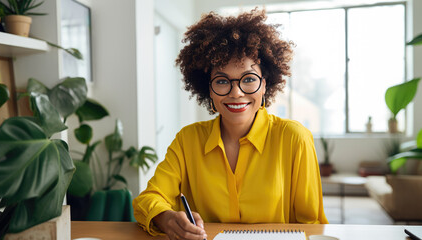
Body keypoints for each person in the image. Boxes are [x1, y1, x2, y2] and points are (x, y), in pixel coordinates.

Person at [133, 8, 328, 240]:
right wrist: (167, 219)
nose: (236, 93)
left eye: (248, 79)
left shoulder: (295, 138)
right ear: (209, 89)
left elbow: (313, 226)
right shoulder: (188, 140)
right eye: (222, 81)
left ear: (264, 85)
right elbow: (148, 199)